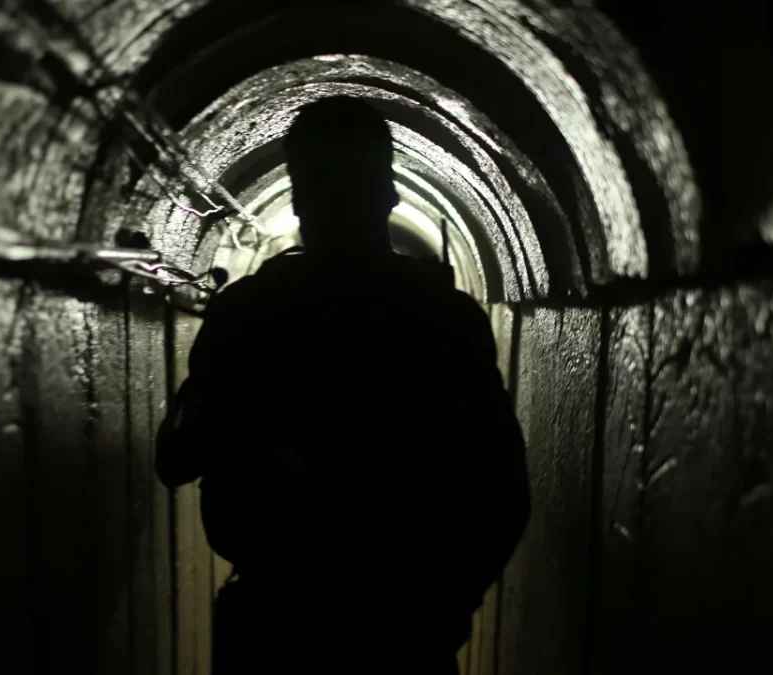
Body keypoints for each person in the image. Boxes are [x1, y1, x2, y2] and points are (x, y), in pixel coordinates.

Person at [155, 96, 530, 675]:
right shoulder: (445, 318)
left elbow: (176, 457)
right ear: (390, 195)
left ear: (298, 199)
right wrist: (443, 611)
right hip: (403, 632)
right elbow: (502, 494)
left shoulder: (249, 312)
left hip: (274, 629)